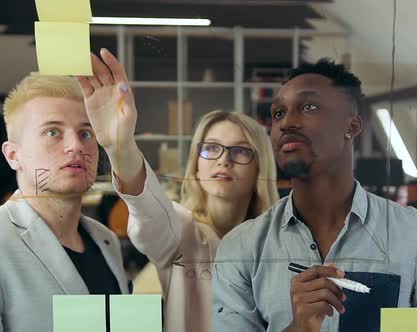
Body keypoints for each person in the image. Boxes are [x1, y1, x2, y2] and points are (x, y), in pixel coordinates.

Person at [212, 59, 417, 332]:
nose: (287, 122)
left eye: (308, 107)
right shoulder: (241, 250)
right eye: (278, 113)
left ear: (351, 126)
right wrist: (299, 328)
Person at [78, 48, 279, 332]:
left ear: (260, 167)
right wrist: (120, 146)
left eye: (240, 151)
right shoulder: (181, 231)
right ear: (196, 164)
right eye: (211, 148)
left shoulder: (277, 242)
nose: (224, 159)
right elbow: (148, 211)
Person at [0, 73, 129, 331]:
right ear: (14, 156)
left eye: (85, 133)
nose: (75, 146)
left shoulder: (106, 240)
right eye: (53, 132)